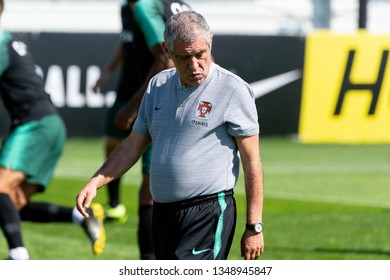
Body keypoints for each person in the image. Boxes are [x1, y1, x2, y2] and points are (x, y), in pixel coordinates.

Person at [76, 10, 264, 260]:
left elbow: (252, 162)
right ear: (167, 50)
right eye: (185, 57)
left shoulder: (233, 89)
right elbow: (133, 145)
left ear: (211, 41)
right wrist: (96, 181)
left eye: (200, 54)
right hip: (163, 214)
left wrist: (254, 226)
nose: (195, 65)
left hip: (207, 213)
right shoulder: (157, 86)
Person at [0, 0, 105, 260]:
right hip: (45, 124)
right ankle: (80, 217)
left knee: (0, 189)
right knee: (13, 205)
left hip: (35, 125)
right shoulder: (7, 39)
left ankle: (18, 257)